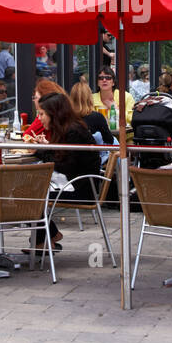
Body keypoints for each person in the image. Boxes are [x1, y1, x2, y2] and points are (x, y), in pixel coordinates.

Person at [30, 92, 101, 252]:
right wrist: (46, 147)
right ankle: (48, 237)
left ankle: (46, 239)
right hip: (74, 184)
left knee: (28, 197)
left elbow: (64, 166)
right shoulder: (69, 128)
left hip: (81, 190)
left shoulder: (73, 131)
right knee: (28, 193)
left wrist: (40, 151)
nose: (39, 118)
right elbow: (64, 160)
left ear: (54, 114)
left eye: (42, 114)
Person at [68, 81, 114, 153]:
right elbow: (110, 140)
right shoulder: (97, 117)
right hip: (95, 159)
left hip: (69, 159)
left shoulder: (65, 118)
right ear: (89, 98)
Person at [91, 67, 135, 134]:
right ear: (97, 83)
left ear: (113, 83)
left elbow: (132, 120)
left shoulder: (126, 97)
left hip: (125, 139)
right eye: (101, 78)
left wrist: (116, 109)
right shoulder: (91, 99)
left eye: (108, 78)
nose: (104, 80)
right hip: (100, 140)